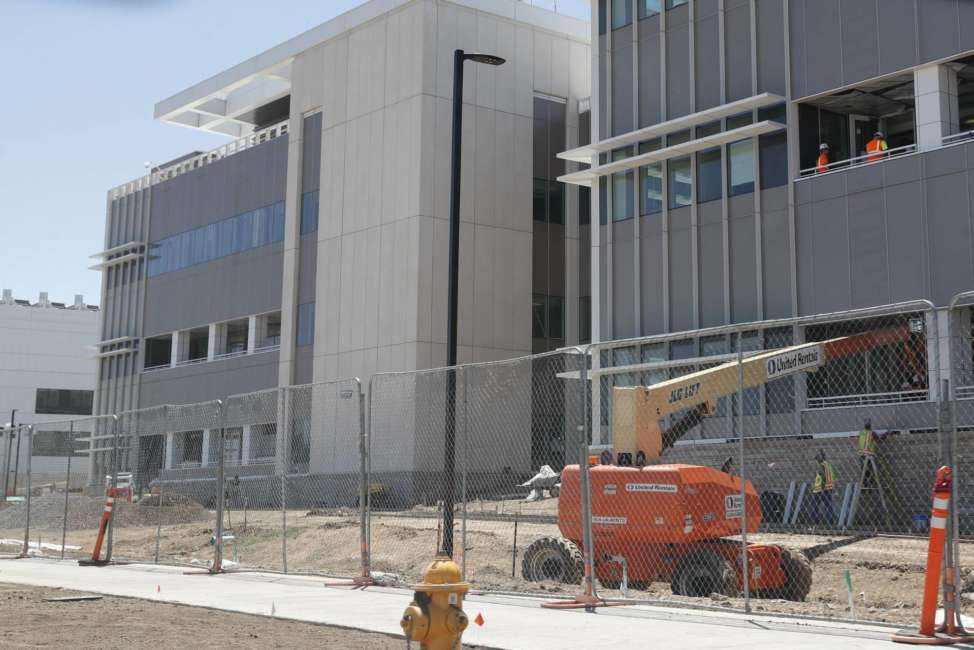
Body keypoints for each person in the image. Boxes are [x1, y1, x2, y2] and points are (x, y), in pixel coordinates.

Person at [809, 450, 836, 527]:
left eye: (817, 458)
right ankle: (831, 524)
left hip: (820, 490)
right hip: (828, 489)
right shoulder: (828, 465)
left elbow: (823, 477)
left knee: (814, 506)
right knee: (829, 507)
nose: (816, 460)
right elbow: (832, 477)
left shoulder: (821, 465)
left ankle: (814, 524)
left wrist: (822, 487)